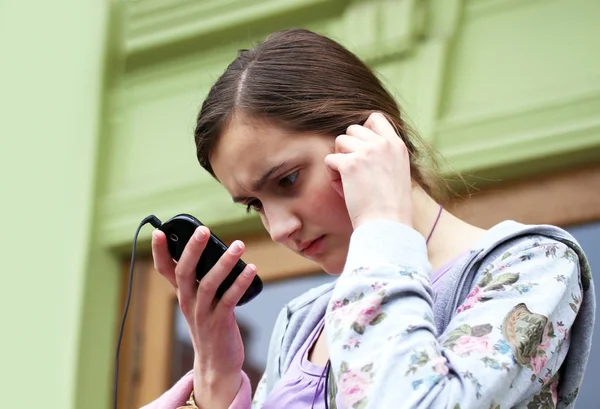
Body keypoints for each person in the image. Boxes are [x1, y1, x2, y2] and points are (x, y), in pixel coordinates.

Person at [143, 29, 595, 409]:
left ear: (374, 137)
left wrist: (382, 222)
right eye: (254, 205)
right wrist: (216, 376)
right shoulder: (302, 323)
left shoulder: (532, 265)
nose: (279, 229)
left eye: (288, 180)